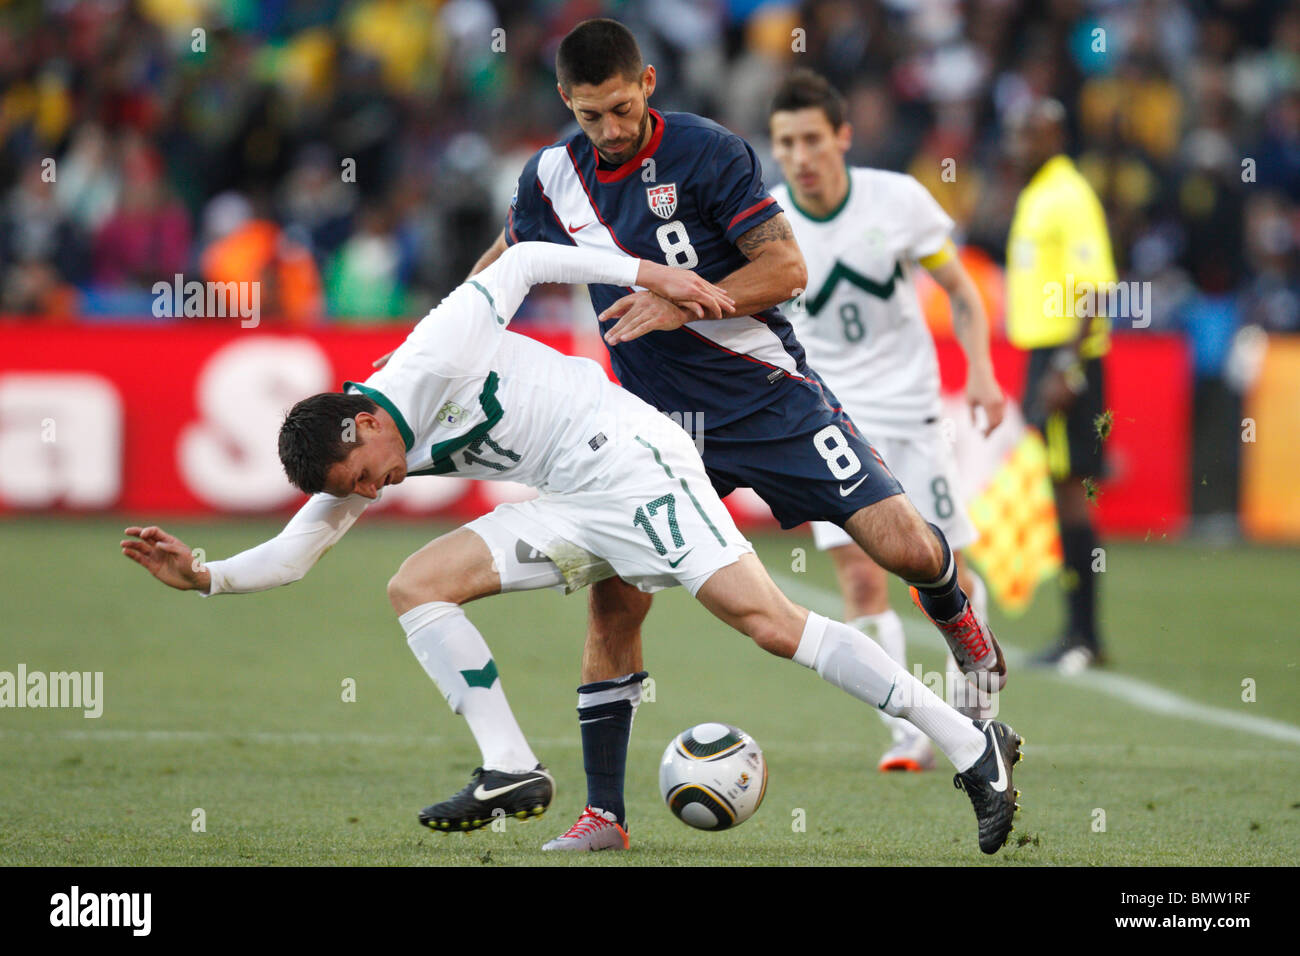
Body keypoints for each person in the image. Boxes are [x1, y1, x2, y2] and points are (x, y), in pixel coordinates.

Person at [121, 240, 1025, 855]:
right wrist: (202, 577)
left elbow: (526, 258)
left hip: (634, 462)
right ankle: (513, 769)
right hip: (567, 499)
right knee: (416, 584)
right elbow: (294, 551)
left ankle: (965, 742)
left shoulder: (431, 353)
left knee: (769, 623)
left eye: (361, 475)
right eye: (354, 491)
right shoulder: (364, 455)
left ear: (362, 419)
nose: (373, 491)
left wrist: (656, 277)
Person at [442, 17, 1008, 852]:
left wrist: (683, 298)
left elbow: (786, 269)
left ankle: (966, 635)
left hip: (772, 402)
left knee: (906, 548)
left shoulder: (710, 152)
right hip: (659, 431)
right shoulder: (550, 178)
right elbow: (505, 261)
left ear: (649, 85)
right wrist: (445, 337)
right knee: (614, 605)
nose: (610, 129)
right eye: (591, 114)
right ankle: (605, 814)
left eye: (623, 108)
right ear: (566, 100)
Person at [768, 70, 1008, 772]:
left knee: (946, 571)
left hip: (912, 415)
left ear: (842, 135)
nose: (801, 155)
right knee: (862, 582)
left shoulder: (897, 200)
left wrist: (985, 372)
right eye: (786, 143)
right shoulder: (766, 225)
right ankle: (909, 730)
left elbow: (960, 290)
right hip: (827, 423)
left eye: (812, 138)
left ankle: (977, 704)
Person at [1004, 98, 1115, 672]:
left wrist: (1068, 369)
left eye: (1032, 133)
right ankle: (1076, 632)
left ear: (1057, 135)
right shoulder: (1040, 192)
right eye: (1018, 133)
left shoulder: (1069, 194)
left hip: (1067, 357)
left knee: (1073, 492)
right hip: (1045, 353)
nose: (1021, 143)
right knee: (1059, 489)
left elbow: (1096, 288)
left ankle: (1084, 636)